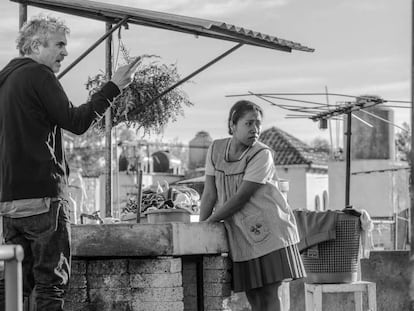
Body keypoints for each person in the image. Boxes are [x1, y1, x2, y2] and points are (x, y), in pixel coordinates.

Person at [0, 14, 139, 310]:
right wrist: (113, 86)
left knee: (14, 286)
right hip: (43, 201)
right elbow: (75, 122)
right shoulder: (38, 75)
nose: (65, 52)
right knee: (51, 287)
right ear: (36, 46)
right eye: (60, 45)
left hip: (9, 204)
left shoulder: (5, 80)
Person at [199, 100, 306, 311]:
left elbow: (241, 198)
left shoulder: (261, 154)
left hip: (270, 231)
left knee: (269, 293)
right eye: (249, 123)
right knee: (254, 296)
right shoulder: (215, 149)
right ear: (232, 124)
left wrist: (211, 221)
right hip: (241, 235)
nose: (255, 129)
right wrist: (200, 227)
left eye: (258, 124)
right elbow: (210, 193)